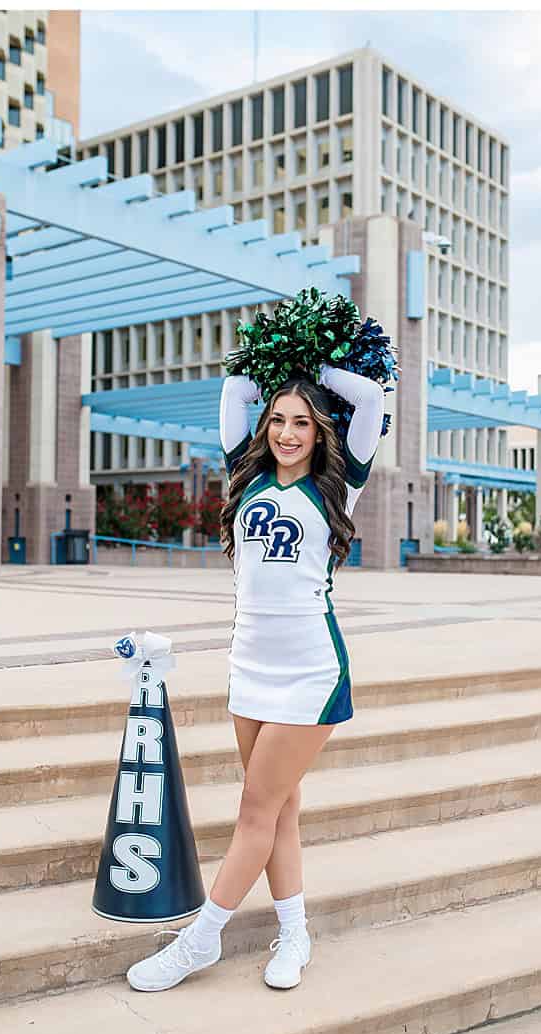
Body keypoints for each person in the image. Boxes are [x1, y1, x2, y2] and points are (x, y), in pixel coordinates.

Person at [127, 365, 384, 993]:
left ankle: (200, 939)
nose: (287, 433)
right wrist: (273, 371)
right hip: (249, 667)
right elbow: (233, 390)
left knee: (255, 809)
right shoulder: (246, 478)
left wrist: (310, 362)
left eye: (301, 422)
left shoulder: (338, 487)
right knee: (280, 808)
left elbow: (372, 397)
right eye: (277, 420)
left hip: (309, 672)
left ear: (322, 432)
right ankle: (294, 933)